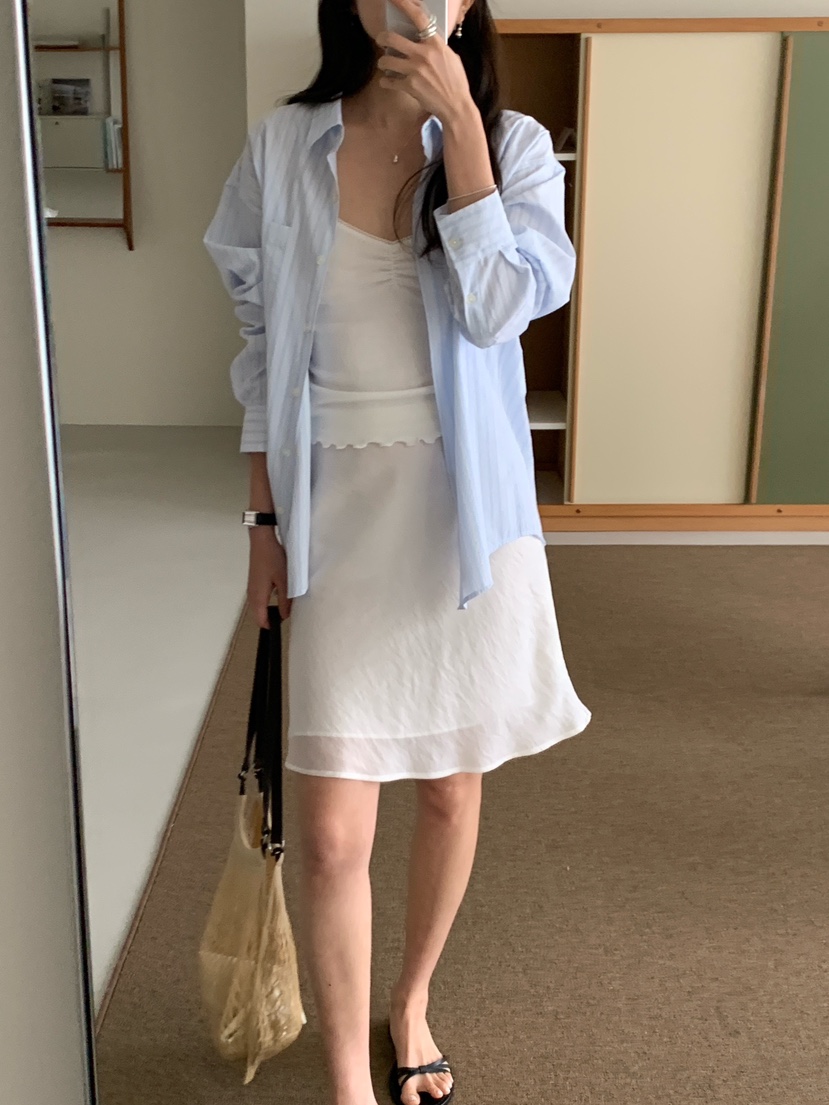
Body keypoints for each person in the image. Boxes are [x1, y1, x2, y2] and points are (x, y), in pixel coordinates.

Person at [204, 1, 592, 1103]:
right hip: (336, 514)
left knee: (448, 793)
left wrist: (462, 137)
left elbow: (502, 308)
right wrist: (263, 525)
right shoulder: (284, 144)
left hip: (464, 518)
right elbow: (260, 349)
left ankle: (410, 1000)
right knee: (330, 835)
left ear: (468, 4)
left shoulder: (511, 145)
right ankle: (345, 1080)